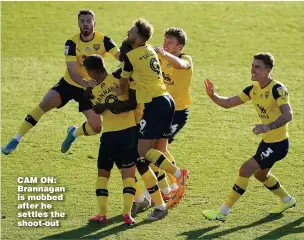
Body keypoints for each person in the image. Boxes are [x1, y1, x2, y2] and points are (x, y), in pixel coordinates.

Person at [2, 9, 120, 155]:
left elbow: (121, 57)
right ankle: (15, 139)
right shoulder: (71, 43)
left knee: (97, 127)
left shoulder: (104, 40)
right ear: (78, 23)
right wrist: (86, 83)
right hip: (70, 84)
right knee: (44, 104)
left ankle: (73, 133)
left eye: (89, 21)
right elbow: (72, 71)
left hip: (90, 90)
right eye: (82, 21)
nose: (86, 24)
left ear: (94, 23)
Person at [202, 52, 296, 221]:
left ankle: (222, 212)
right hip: (267, 142)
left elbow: (288, 115)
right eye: (252, 65)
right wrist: (213, 96)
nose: (253, 70)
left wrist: (268, 126)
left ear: (268, 70)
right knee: (261, 175)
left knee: (245, 169)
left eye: (257, 67)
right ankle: (286, 199)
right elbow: (229, 103)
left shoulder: (277, 89)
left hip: (278, 144)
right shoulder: (252, 90)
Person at [117, 18, 190, 215]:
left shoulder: (131, 58)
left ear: (139, 39)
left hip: (155, 104)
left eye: (131, 32)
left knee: (142, 151)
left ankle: (177, 175)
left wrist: (115, 91)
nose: (128, 33)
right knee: (158, 149)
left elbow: (123, 86)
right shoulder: (149, 50)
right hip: (166, 101)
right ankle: (167, 192)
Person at [82, 54, 137, 225]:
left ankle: (102, 214)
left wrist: (103, 105)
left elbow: (96, 110)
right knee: (128, 176)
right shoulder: (119, 78)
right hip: (129, 133)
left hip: (110, 136)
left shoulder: (92, 93)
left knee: (103, 175)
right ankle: (127, 214)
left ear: (91, 72)